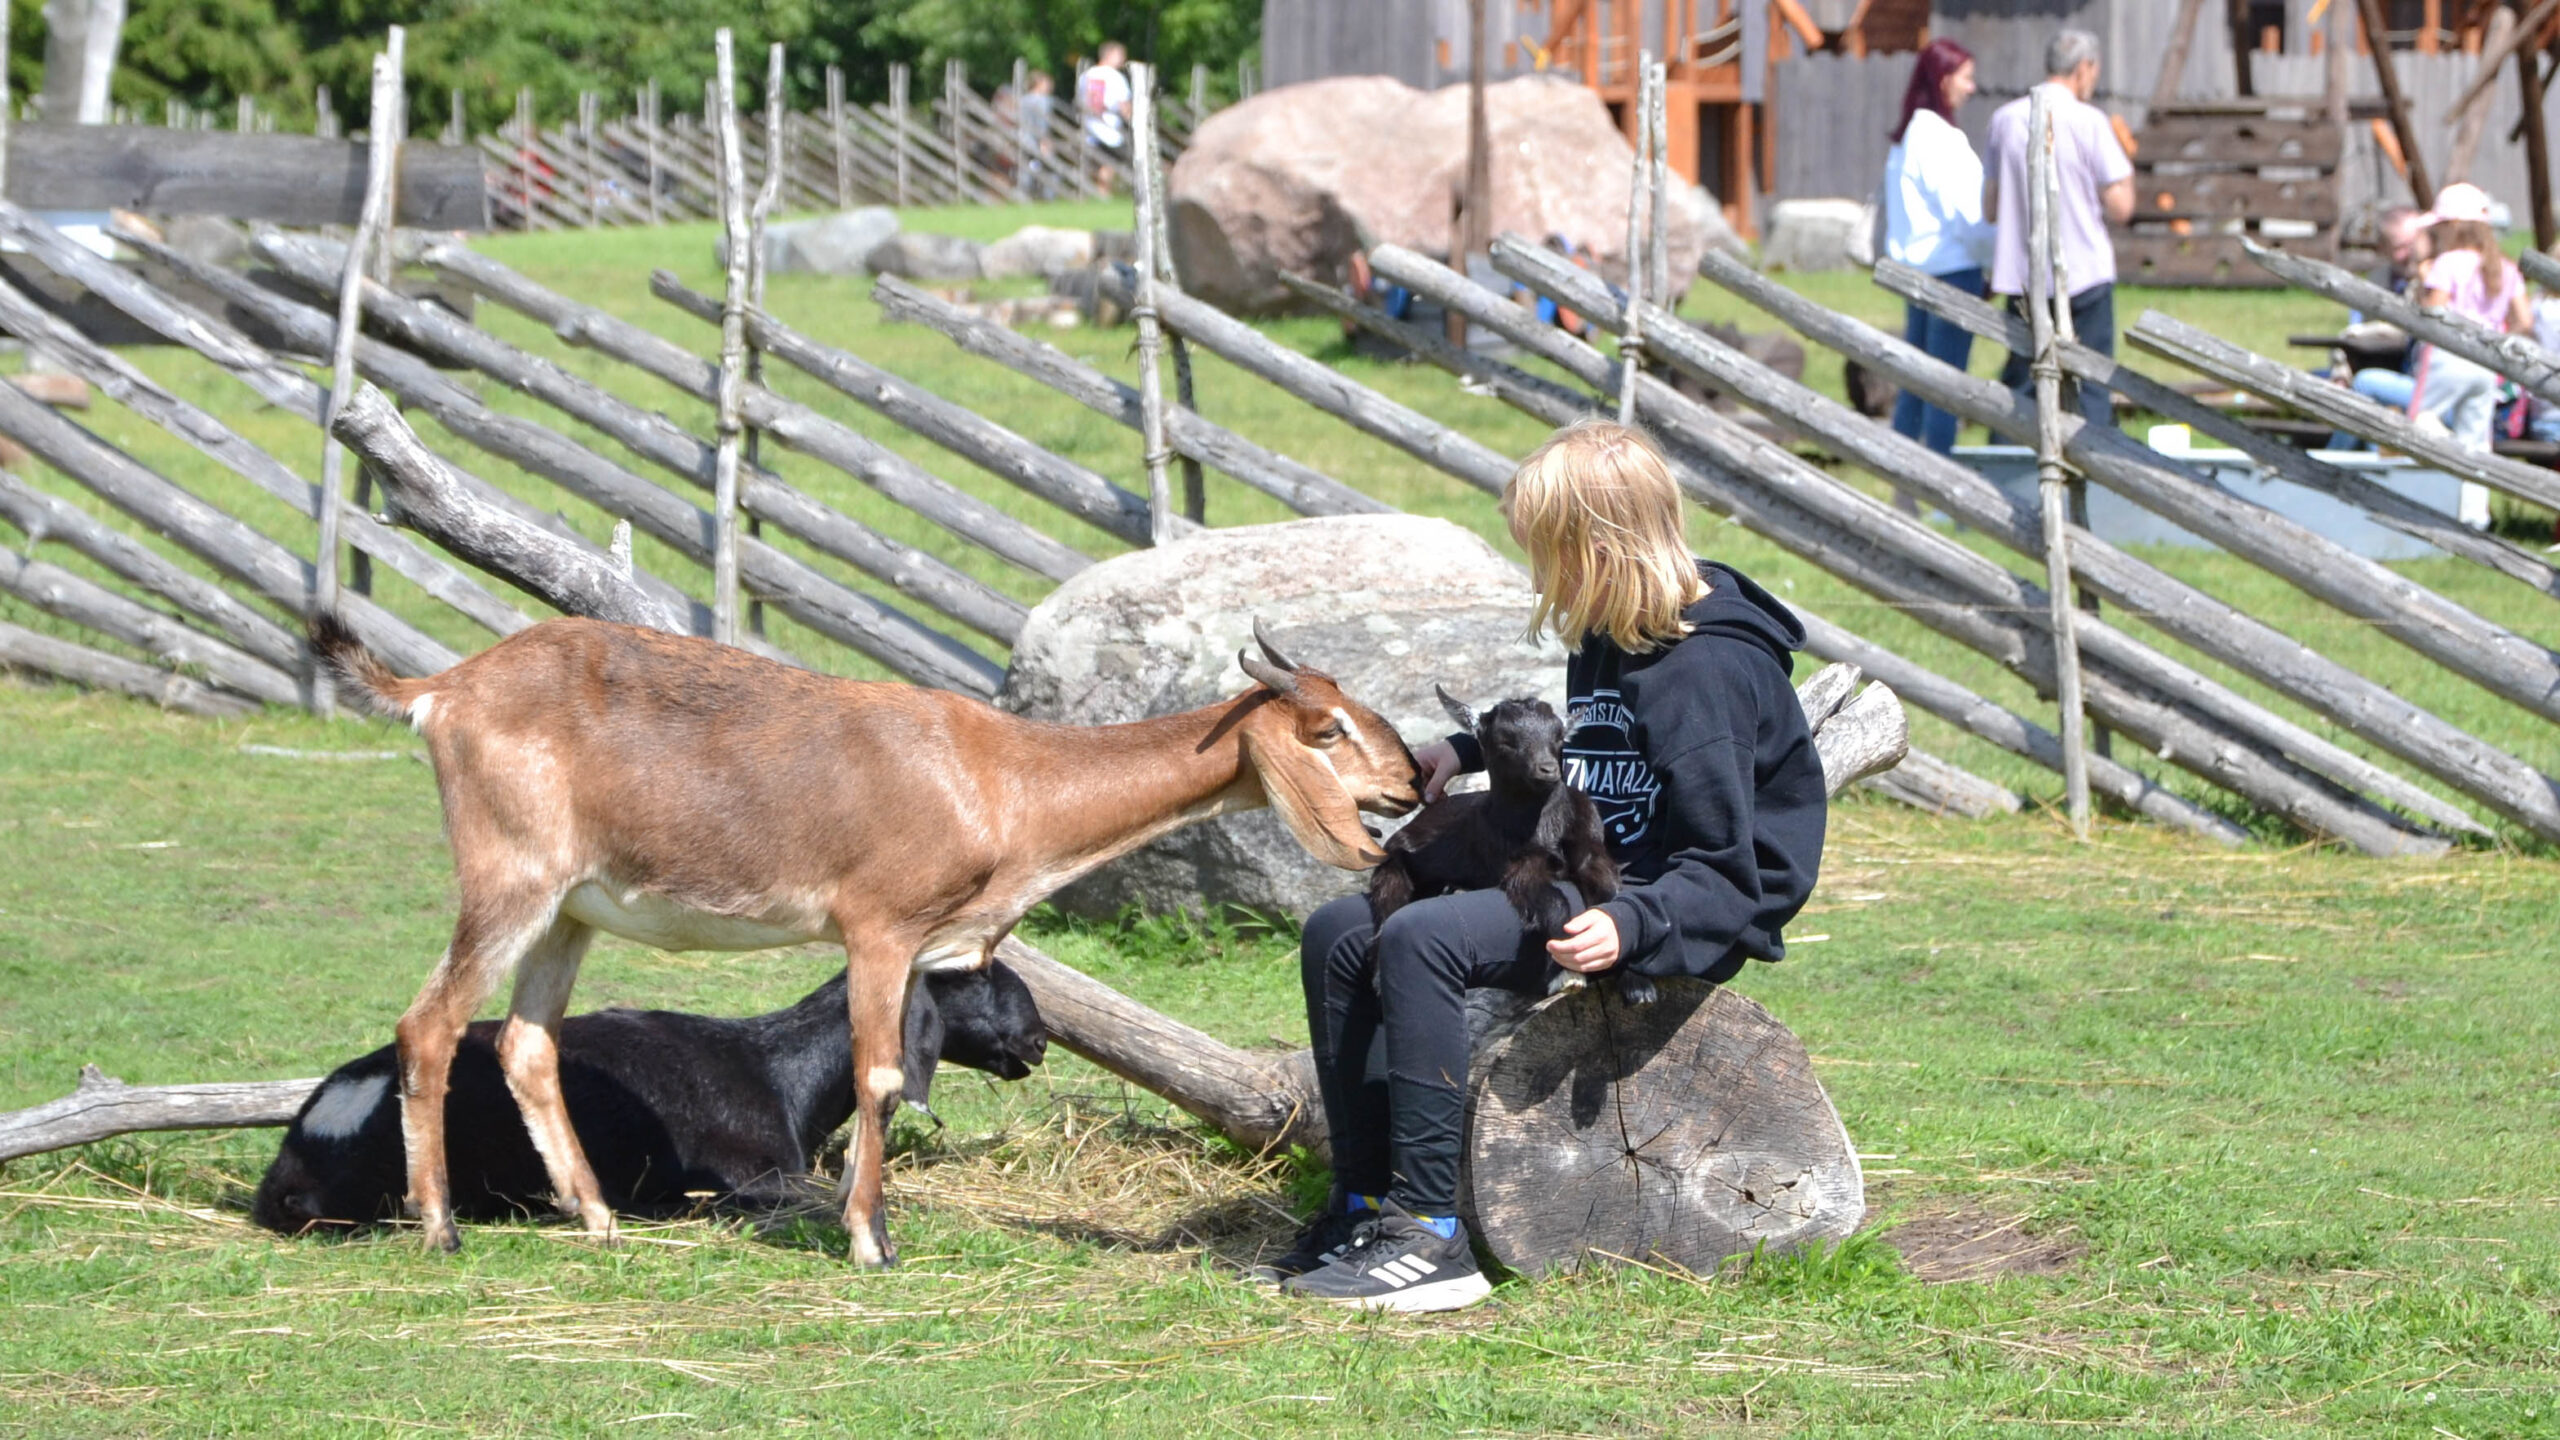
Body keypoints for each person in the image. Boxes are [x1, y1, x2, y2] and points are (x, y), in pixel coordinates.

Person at [1264, 420, 1829, 1314]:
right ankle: (1365, 1203)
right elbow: (1583, 759)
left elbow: (1734, 871)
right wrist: (1464, 749)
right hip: (1586, 865)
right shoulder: (1613, 632)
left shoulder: (1704, 672)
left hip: (1664, 905)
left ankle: (1431, 1233)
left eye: (1544, 555)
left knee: (1422, 939)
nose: (1534, 576)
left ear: (1596, 551)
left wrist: (1635, 924)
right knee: (1341, 929)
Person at [1985, 29, 2134, 430]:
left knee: (2022, 380)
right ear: (2084, 69)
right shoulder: (2090, 121)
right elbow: (2122, 206)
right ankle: (2096, 466)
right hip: (2083, 269)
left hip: (2023, 274)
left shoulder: (2005, 119)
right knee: (2093, 381)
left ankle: (2011, 464)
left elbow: (1991, 207)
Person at [1883, 38, 1995, 460]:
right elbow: (1968, 215)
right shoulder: (1938, 138)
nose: (1971, 87)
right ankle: (1938, 479)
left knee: (1916, 380)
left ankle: (1904, 479)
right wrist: (1993, 262)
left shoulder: (1912, 135)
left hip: (1918, 271)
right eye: (1965, 77)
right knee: (1945, 385)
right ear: (1944, 80)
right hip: (1950, 271)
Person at [2408, 182, 2528, 464]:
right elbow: (2523, 320)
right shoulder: (2504, 267)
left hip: (2446, 357)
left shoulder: (2447, 263)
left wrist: (2424, 285)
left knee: (2419, 421)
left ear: (2453, 227)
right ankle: (2473, 507)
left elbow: (2433, 313)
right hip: (2486, 363)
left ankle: (2443, 455)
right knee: (2476, 441)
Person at [1077, 41, 1133, 188]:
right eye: (1120, 55)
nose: (1123, 59)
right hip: (1110, 128)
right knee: (1110, 163)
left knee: (1096, 164)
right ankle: (1102, 192)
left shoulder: (1086, 75)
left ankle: (1096, 192)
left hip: (1089, 126)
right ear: (1110, 55)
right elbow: (1124, 105)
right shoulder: (1116, 77)